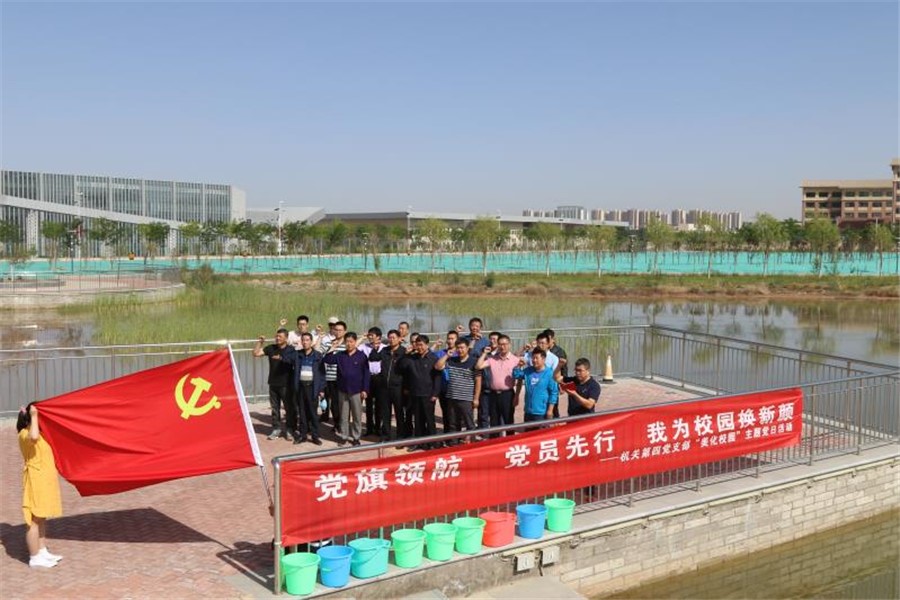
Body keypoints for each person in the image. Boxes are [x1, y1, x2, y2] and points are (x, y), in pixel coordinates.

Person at [17, 403, 64, 569]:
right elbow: (34, 437)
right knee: (33, 520)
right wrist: (35, 415)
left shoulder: (39, 433)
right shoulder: (25, 434)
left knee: (41, 517)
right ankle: (34, 557)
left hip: (44, 480)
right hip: (35, 481)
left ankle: (42, 550)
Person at [323, 332, 370, 446]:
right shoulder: (340, 355)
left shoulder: (361, 356)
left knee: (357, 415)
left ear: (355, 342)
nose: (349, 344)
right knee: (344, 416)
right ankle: (344, 436)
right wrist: (332, 348)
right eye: (347, 342)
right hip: (342, 390)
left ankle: (356, 437)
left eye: (351, 341)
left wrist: (365, 389)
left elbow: (366, 374)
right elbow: (327, 360)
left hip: (356, 391)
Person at [398, 334, 442, 450]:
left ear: (427, 345)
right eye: (417, 345)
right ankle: (418, 442)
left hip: (428, 394)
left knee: (429, 419)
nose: (419, 347)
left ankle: (433, 442)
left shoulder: (433, 358)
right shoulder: (412, 358)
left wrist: (435, 394)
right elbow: (401, 366)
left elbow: (437, 377)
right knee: (418, 420)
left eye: (421, 345)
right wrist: (405, 354)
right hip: (415, 393)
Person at [435, 338, 482, 444]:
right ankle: (454, 443)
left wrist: (476, 398)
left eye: (462, 347)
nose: (460, 350)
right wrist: (447, 355)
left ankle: (472, 444)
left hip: (466, 399)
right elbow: (438, 366)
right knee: (453, 423)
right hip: (452, 397)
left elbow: (478, 381)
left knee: (469, 423)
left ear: (467, 348)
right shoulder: (451, 361)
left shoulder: (473, 362)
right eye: (458, 348)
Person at [253, 329, 297, 440]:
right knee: (275, 408)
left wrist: (281, 358)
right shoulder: (271, 348)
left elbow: (292, 361)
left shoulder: (291, 350)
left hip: (286, 384)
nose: (277, 338)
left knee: (289, 408)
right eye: (276, 336)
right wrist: (260, 342)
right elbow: (256, 354)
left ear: (286, 338)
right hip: (273, 383)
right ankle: (276, 429)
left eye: (280, 336)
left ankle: (290, 429)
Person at [282, 332, 324, 445]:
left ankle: (315, 436)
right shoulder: (297, 354)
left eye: (307, 340)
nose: (305, 342)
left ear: (311, 342)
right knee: (302, 413)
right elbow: (285, 358)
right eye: (303, 340)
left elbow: (322, 374)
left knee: (313, 413)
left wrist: (321, 389)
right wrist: (290, 345)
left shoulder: (317, 355)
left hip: (312, 388)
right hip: (300, 387)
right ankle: (302, 435)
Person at [475, 334, 519, 432]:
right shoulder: (492, 359)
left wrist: (517, 396)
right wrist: (484, 354)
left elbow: (520, 379)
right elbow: (478, 366)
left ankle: (509, 439)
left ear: (509, 345)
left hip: (508, 394)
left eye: (505, 344)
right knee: (494, 421)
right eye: (500, 344)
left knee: (508, 420)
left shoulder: (515, 360)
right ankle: (495, 440)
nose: (502, 347)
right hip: (493, 394)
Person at [374, 329, 407, 442]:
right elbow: (373, 358)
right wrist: (375, 348)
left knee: (399, 413)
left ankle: (400, 436)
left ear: (399, 339)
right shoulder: (384, 350)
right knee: (385, 413)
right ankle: (385, 435)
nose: (391, 340)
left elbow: (406, 369)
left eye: (394, 338)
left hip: (398, 387)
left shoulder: (403, 352)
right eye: (390, 338)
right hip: (384, 387)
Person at [513, 347, 558, 424]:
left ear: (543, 359)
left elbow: (553, 393)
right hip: (528, 411)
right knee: (528, 430)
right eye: (533, 358)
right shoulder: (528, 371)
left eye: (537, 358)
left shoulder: (549, 373)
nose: (534, 360)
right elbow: (516, 375)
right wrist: (518, 366)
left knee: (541, 431)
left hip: (541, 412)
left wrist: (550, 410)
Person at [318, 319, 347, 431]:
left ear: (345, 331)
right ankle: (337, 424)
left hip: (342, 378)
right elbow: (319, 354)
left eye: (340, 330)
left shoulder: (347, 344)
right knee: (333, 403)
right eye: (336, 330)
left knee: (343, 404)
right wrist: (330, 347)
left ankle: (344, 424)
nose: (338, 332)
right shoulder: (328, 343)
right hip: (329, 378)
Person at [361, 327, 387, 437]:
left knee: (379, 405)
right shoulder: (364, 347)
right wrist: (362, 338)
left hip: (380, 378)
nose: (370, 337)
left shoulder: (385, 348)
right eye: (369, 335)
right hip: (368, 378)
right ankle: (369, 428)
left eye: (372, 335)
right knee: (368, 404)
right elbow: (354, 348)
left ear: (379, 337)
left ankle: (378, 428)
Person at [543, 329, 568, 418]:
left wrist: (563, 384)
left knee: (553, 406)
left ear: (553, 339)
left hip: (554, 383)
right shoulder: (541, 352)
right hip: (543, 383)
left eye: (549, 339)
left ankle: (556, 422)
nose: (547, 342)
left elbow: (564, 369)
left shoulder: (559, 352)